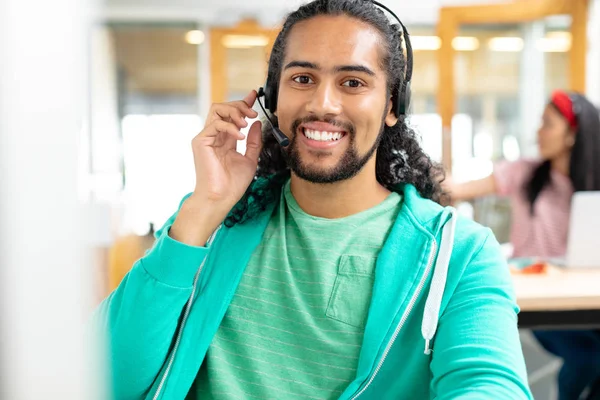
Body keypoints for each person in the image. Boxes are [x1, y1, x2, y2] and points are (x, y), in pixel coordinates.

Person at [94, 1, 532, 399]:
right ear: (272, 101)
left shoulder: (460, 253)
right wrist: (205, 208)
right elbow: (101, 378)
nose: (323, 103)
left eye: (353, 82)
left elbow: (490, 387)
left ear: (392, 106)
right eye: (302, 79)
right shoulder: (209, 226)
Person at [445, 89, 600, 400]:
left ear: (572, 135)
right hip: (536, 295)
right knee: (588, 358)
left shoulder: (592, 183)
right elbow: (457, 190)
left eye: (547, 124)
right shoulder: (525, 172)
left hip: (583, 293)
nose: (538, 132)